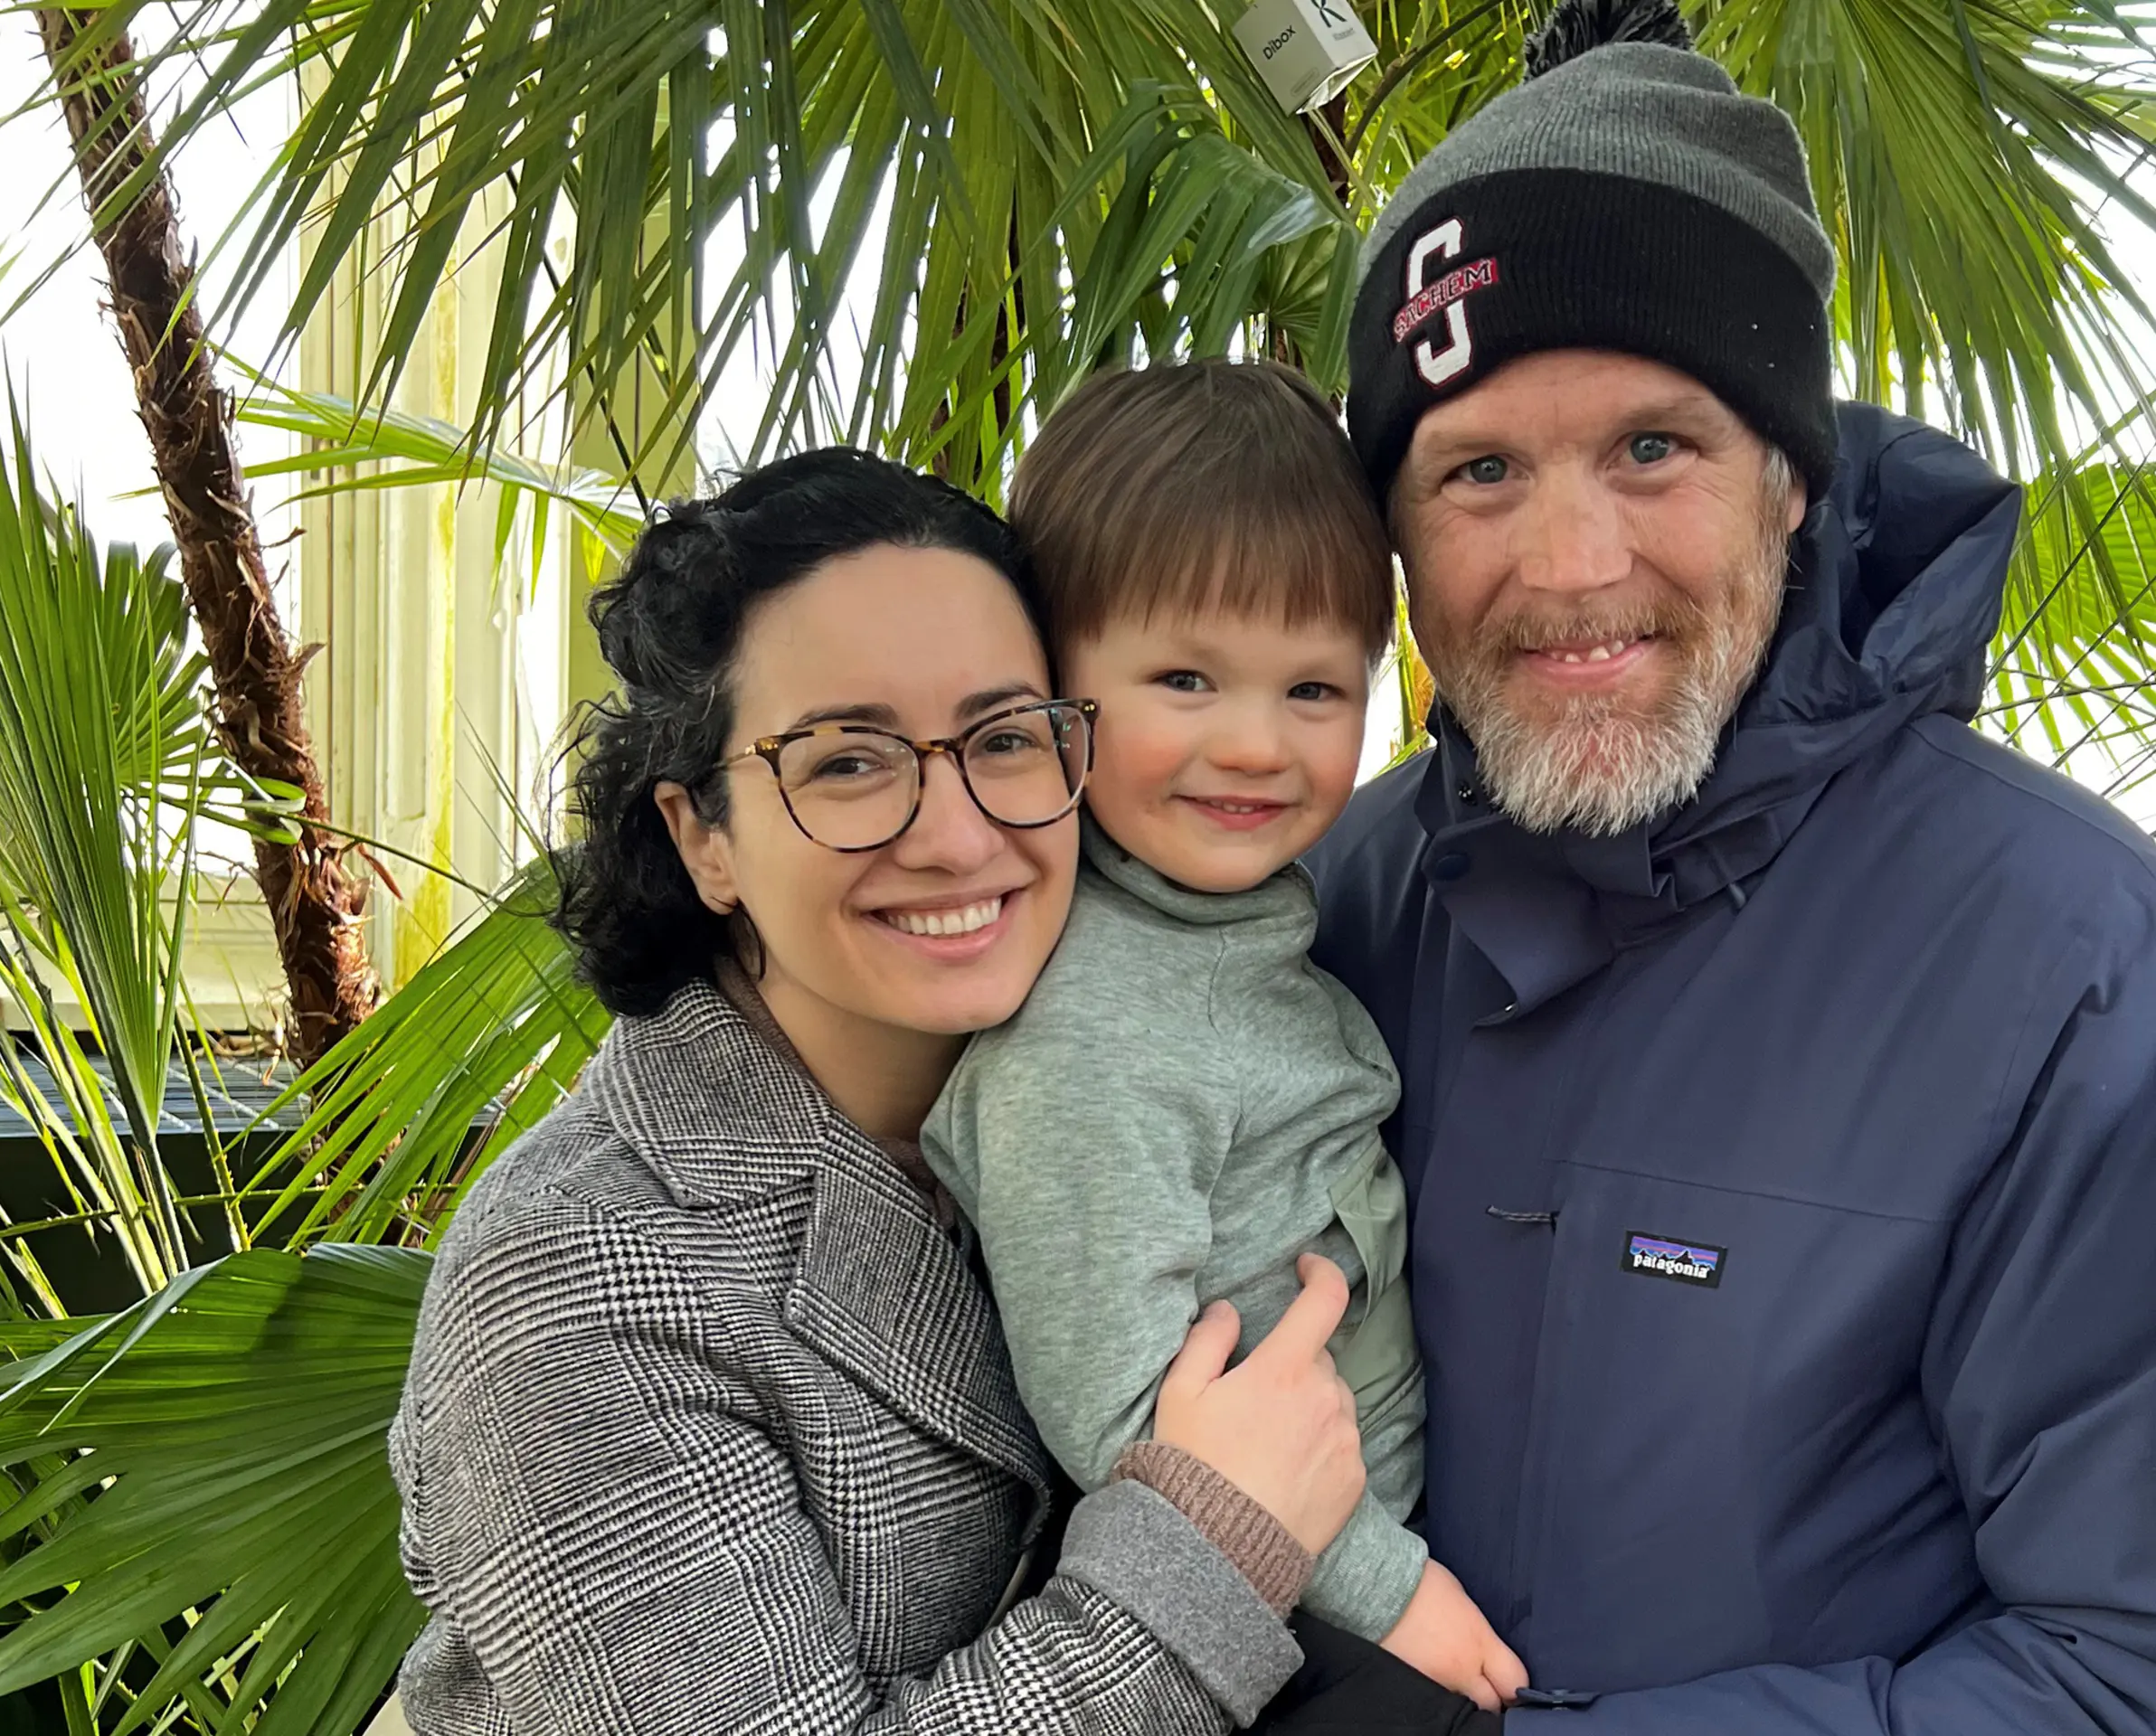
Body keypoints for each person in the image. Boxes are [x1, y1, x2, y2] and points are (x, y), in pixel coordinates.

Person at [1278, 0, 2156, 1727]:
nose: (1569, 559)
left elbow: (2118, 1663)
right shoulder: (1327, 904)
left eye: (1652, 450)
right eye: (1478, 471)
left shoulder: (2074, 960)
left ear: (1791, 480)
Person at [387, 448, 1375, 1733]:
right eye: (848, 763)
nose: (957, 832)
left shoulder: (1134, 1072)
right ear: (704, 837)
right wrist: (1211, 1552)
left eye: (1005, 738)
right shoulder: (577, 1279)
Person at [919, 360, 1524, 1711]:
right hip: (1271, 1634)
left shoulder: (1239, 935)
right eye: (1186, 677)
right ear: (1049, 685)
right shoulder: (1092, 1027)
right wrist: (1388, 1589)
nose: (1256, 745)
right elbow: (1113, 1398)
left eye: (1313, 690)